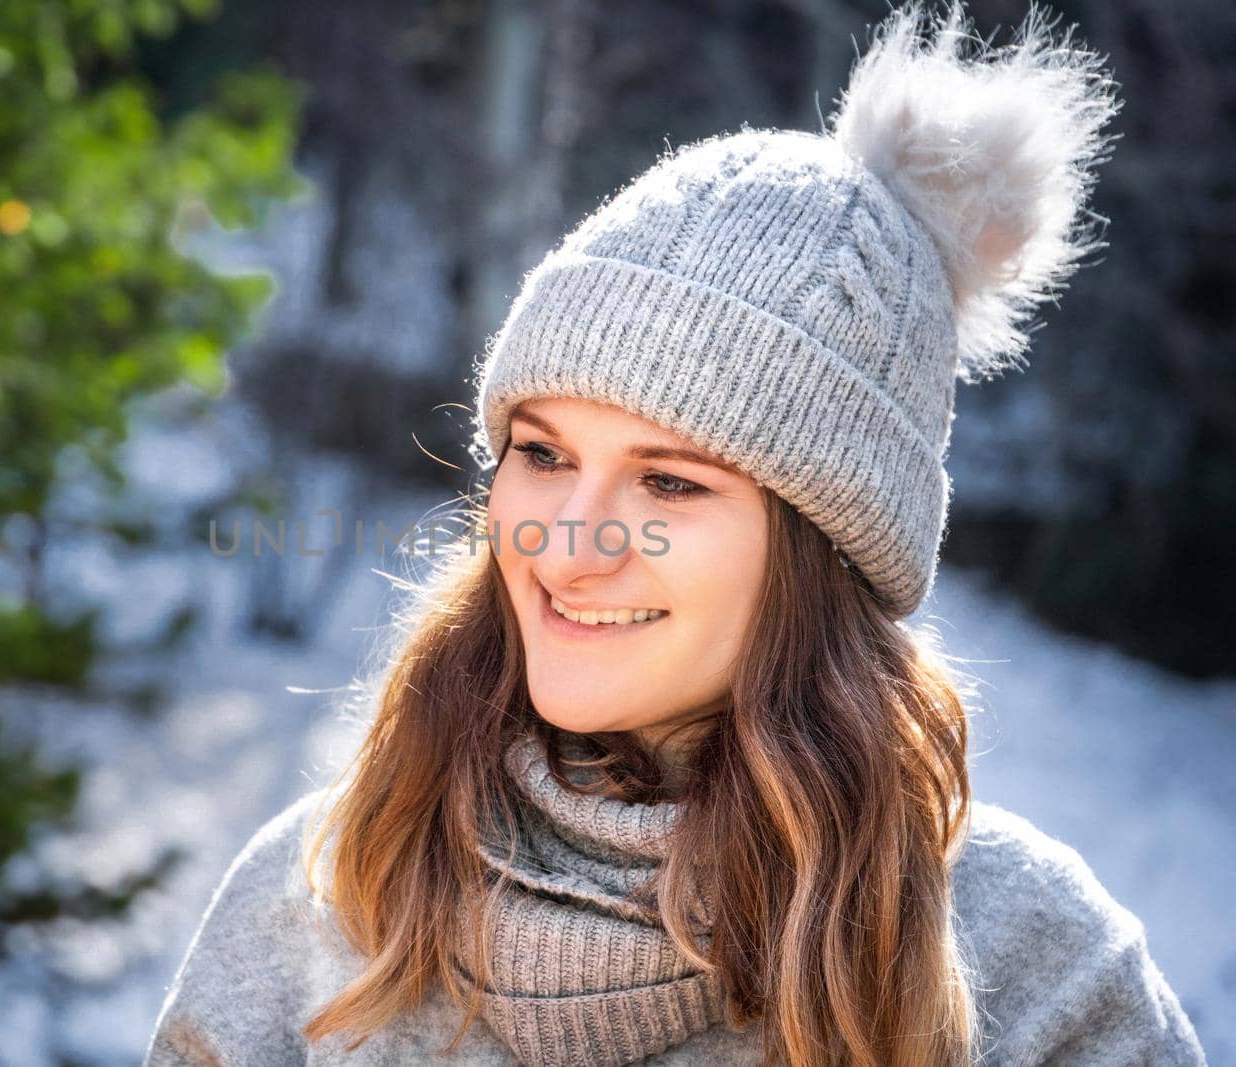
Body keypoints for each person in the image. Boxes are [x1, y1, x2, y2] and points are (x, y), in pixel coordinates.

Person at [142, 3, 1208, 1065]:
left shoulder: (1035, 964)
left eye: (667, 482)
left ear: (822, 544)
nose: (568, 544)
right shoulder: (321, 895)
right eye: (543, 452)